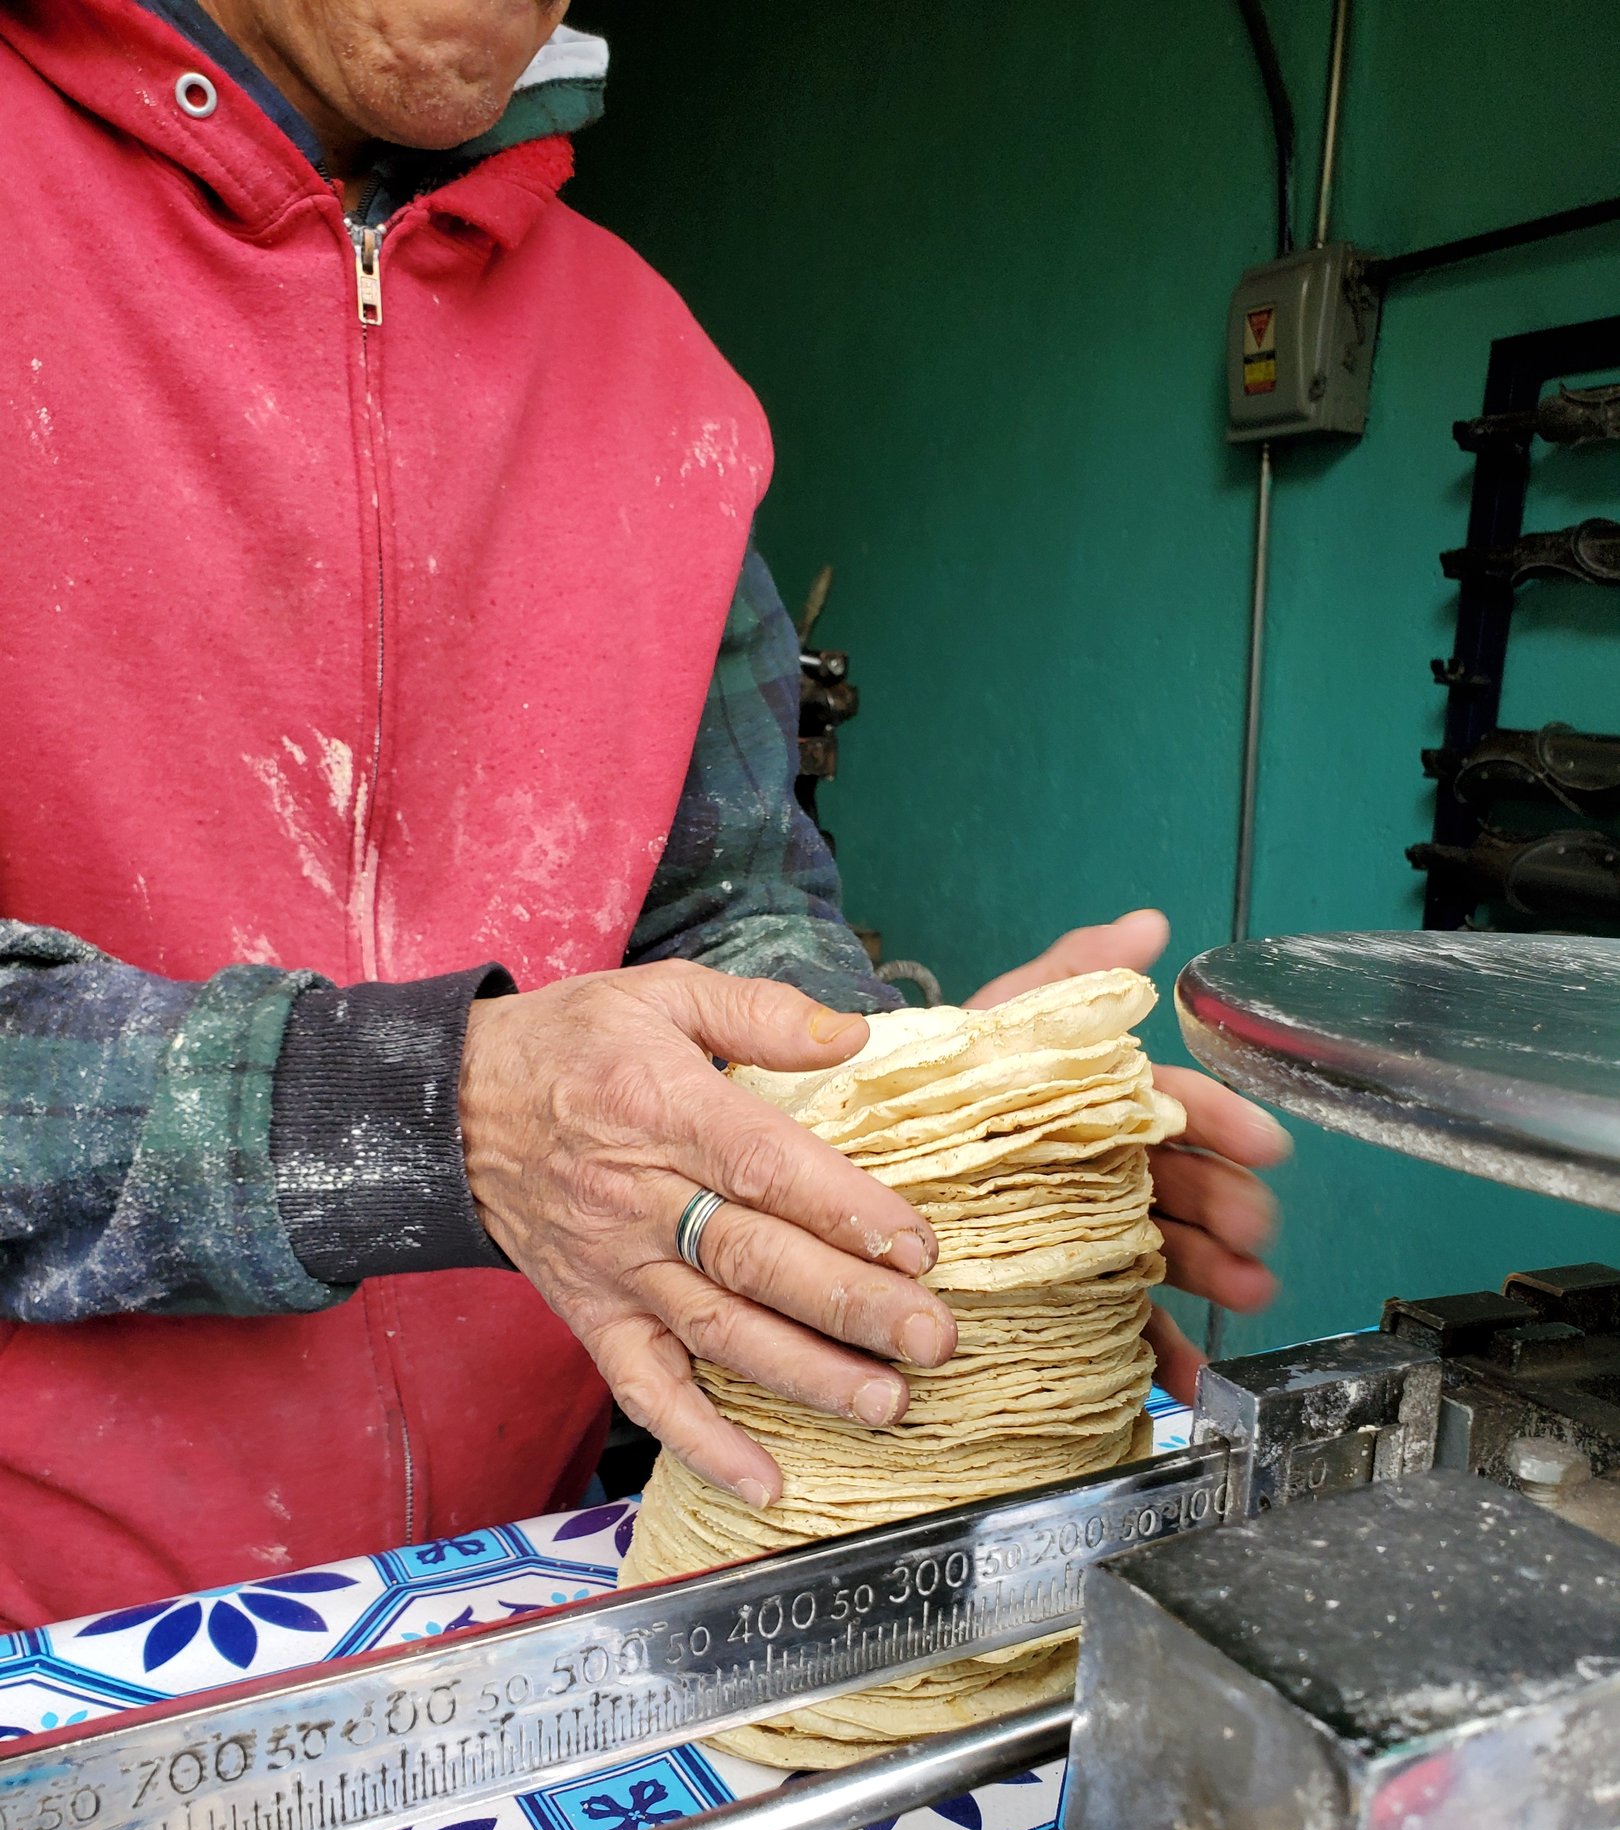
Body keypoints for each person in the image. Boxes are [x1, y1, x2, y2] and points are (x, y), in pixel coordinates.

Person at [0, 0, 1287, 1633]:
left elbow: (733, 904)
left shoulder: (655, 374)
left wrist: (897, 1114)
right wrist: (434, 1117)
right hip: (49, 1647)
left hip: (527, 1584)